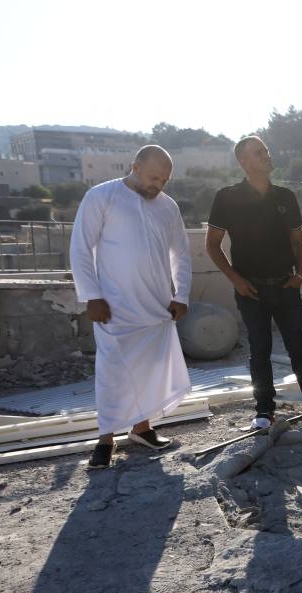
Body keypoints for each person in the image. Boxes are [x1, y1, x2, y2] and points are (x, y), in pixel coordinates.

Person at [69, 145, 192, 470]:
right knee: (112, 372)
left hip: (156, 307)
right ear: (134, 166)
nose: (158, 185)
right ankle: (105, 439)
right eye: (153, 177)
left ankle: (142, 429)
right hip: (113, 307)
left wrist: (182, 295)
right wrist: (91, 295)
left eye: (164, 180)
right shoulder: (102, 196)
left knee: (150, 369)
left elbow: (181, 253)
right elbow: (80, 247)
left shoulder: (168, 207)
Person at [205, 136, 302, 429]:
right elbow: (213, 245)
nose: (267, 155)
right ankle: (264, 411)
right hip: (250, 290)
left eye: (266, 150)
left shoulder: (285, 197)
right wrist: (236, 280)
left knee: (299, 350)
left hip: (286, 286)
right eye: (259, 152)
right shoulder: (227, 197)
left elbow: (298, 242)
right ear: (244, 161)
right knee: (259, 350)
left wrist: (300, 275)